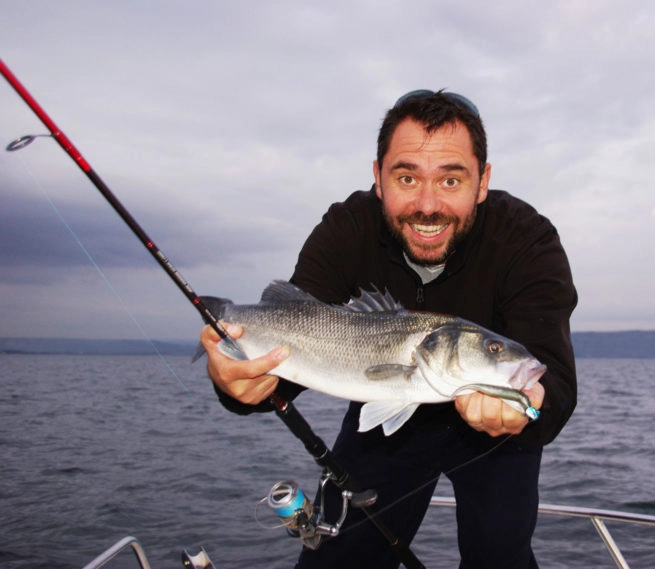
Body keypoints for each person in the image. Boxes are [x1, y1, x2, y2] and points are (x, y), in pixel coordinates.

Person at [200, 89, 578, 568]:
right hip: (382, 418)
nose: (426, 204)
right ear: (378, 177)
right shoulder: (347, 229)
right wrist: (237, 385)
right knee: (336, 560)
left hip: (497, 432)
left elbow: (554, 379)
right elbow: (292, 343)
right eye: (406, 176)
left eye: (451, 179)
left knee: (500, 555)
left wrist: (535, 404)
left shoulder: (526, 239)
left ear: (482, 182)